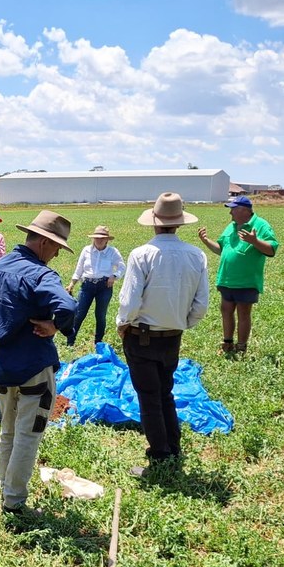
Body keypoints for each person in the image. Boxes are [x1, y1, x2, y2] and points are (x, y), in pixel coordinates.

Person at [0, 210, 77, 515]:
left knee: (7, 430)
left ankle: (5, 484)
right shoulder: (41, 273)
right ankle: (14, 500)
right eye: (55, 248)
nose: (55, 255)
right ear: (43, 243)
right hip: (34, 366)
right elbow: (66, 304)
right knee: (28, 434)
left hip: (3, 363)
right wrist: (55, 326)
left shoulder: (0, 265)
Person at [117, 192, 208, 475]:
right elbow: (201, 304)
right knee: (165, 392)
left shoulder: (142, 255)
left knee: (149, 396)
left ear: (154, 222)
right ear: (179, 223)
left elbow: (130, 301)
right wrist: (182, 322)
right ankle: (172, 446)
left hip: (141, 334)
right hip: (172, 336)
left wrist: (123, 323)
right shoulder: (197, 255)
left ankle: (159, 454)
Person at [197, 196, 278, 353]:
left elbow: (271, 250)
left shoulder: (261, 225)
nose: (230, 213)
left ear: (245, 210)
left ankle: (241, 347)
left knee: (243, 313)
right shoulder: (231, 226)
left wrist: (255, 241)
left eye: (233, 209)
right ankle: (227, 343)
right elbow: (220, 249)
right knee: (226, 310)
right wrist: (206, 241)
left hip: (246, 280)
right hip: (226, 279)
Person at [65, 225, 125, 347]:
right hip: (87, 285)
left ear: (107, 240)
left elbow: (122, 266)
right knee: (79, 313)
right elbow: (79, 269)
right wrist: (72, 283)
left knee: (100, 315)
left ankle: (98, 343)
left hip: (104, 287)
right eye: (97, 237)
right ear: (93, 238)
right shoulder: (86, 250)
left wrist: (114, 276)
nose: (99, 240)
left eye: (102, 238)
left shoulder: (112, 252)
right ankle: (70, 342)